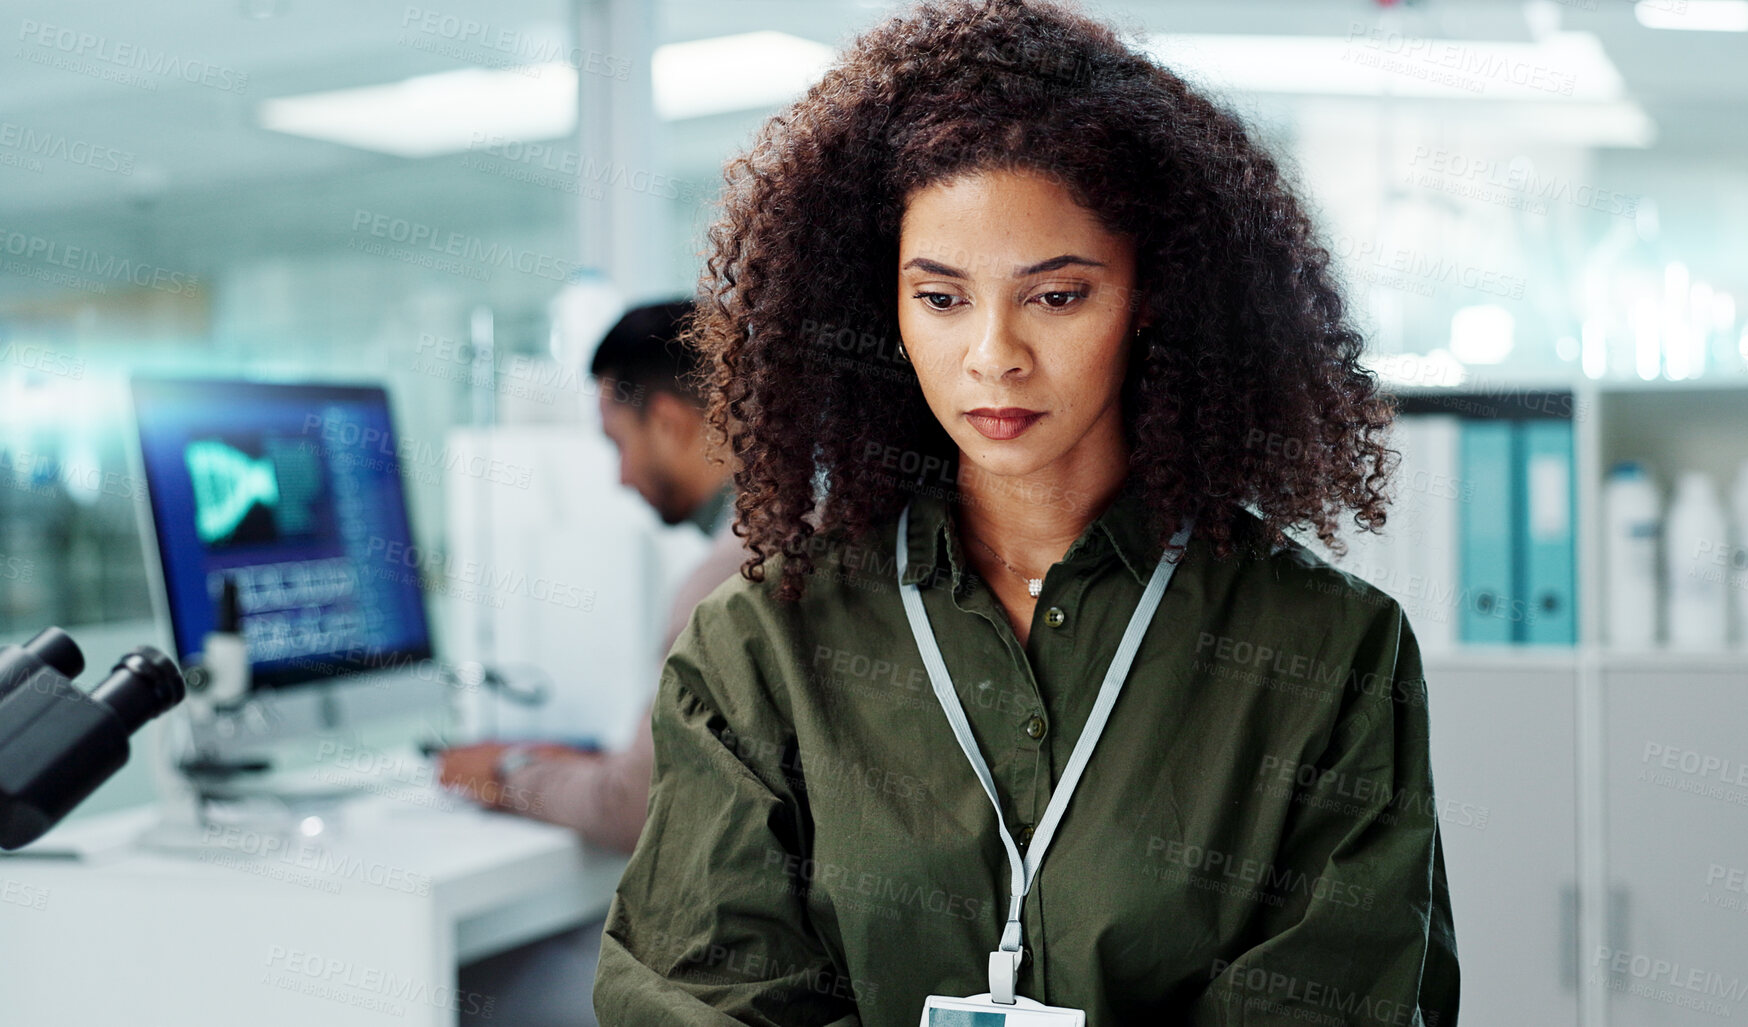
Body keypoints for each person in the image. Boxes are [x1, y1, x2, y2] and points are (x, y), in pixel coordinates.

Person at [595, 2, 1460, 1025]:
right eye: (943, 298)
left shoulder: (1328, 652)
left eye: (1055, 297)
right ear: (884, 307)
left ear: (1152, 298)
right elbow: (695, 995)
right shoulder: (760, 646)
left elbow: (1339, 1002)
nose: (993, 354)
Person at [438, 299, 747, 852]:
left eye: (619, 443)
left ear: (670, 423)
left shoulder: (728, 578)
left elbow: (632, 807)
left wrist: (507, 772)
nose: (622, 478)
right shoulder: (822, 520)